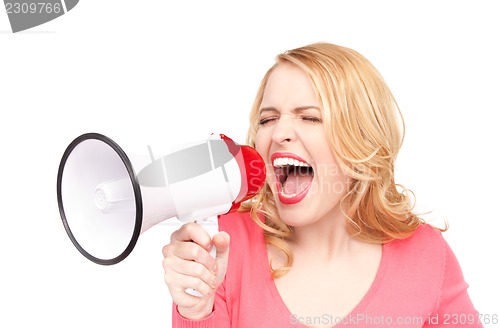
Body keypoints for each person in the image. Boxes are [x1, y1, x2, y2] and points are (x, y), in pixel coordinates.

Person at [162, 42, 482, 327]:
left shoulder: (425, 257)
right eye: (267, 119)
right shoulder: (222, 244)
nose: (278, 134)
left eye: (310, 117)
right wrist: (197, 312)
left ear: (361, 138)